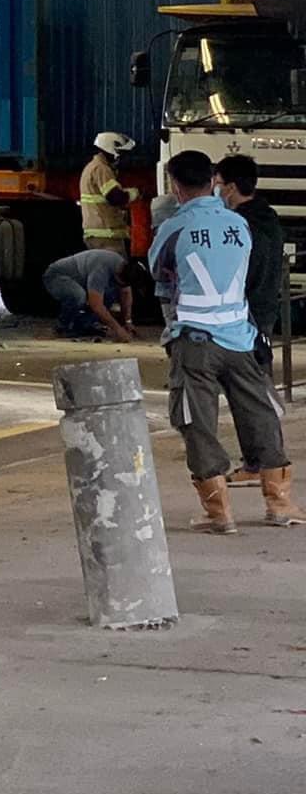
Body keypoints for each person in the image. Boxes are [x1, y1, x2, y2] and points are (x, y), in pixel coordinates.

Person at [149, 149, 304, 532]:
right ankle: (280, 505)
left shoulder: (175, 226)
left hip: (196, 341)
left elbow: (158, 269)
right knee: (260, 416)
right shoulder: (239, 224)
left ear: (175, 185)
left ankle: (219, 513)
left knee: (196, 422)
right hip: (241, 336)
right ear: (212, 180)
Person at [217, 153, 287, 483]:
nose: (217, 191)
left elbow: (242, 274)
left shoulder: (242, 225)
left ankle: (260, 464)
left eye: (218, 185)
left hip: (246, 320)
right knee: (258, 393)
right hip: (262, 314)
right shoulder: (268, 218)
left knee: (250, 397)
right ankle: (264, 462)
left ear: (231, 187)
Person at [41, 248, 136, 343]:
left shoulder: (123, 266)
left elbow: (126, 293)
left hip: (80, 281)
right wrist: (117, 329)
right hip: (56, 276)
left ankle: (83, 326)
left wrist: (127, 321)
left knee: (110, 294)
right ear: (118, 274)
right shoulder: (101, 269)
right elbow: (96, 304)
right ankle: (61, 327)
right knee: (78, 296)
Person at [80, 131, 138, 256]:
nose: (121, 157)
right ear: (112, 150)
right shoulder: (101, 169)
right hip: (106, 236)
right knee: (115, 271)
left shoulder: (94, 167)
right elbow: (115, 197)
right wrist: (134, 193)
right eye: (121, 153)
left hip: (99, 235)